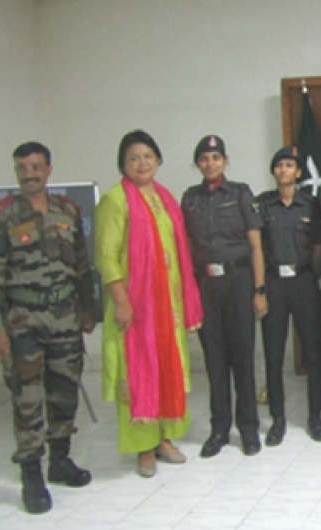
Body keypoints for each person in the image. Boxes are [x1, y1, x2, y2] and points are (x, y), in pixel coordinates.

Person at [0, 141, 96, 513]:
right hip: (23, 322)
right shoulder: (1, 216)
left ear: (48, 169)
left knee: (64, 391)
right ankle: (31, 474)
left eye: (36, 166)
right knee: (27, 399)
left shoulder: (68, 210)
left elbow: (81, 264)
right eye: (22, 168)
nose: (29, 173)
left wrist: (88, 309)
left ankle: (60, 460)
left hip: (65, 316)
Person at [96, 129, 203, 477]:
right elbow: (107, 257)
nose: (141, 163)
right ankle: (142, 446)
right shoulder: (115, 200)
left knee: (167, 368)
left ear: (158, 160)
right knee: (137, 373)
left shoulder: (165, 199)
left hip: (166, 307)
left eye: (147, 156)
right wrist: (121, 301)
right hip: (134, 308)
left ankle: (163, 438)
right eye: (133, 158)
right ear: (122, 165)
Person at [181, 135, 267, 457]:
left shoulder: (241, 193)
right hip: (206, 287)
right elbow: (185, 247)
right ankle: (219, 428)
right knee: (214, 361)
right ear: (197, 164)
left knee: (243, 358)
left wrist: (259, 290)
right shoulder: (189, 199)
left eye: (216, 158)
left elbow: (256, 246)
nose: (210, 163)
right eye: (204, 159)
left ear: (225, 161)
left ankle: (248, 429)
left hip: (239, 281)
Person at [257, 146, 321, 445]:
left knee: (313, 353)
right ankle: (278, 420)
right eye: (279, 166)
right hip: (274, 283)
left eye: (289, 166)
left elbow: (318, 247)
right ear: (274, 172)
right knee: (274, 355)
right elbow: (256, 248)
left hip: (303, 282)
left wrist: (307, 274)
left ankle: (315, 417)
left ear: (299, 173)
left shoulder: (311, 205)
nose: (284, 170)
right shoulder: (262, 205)